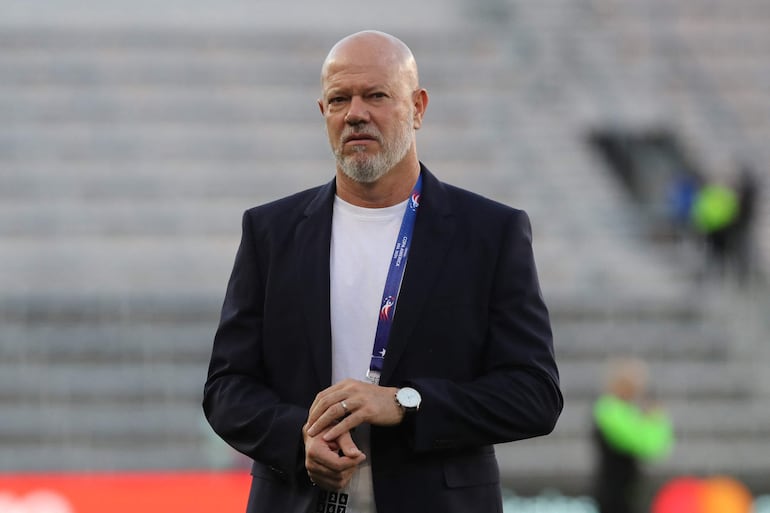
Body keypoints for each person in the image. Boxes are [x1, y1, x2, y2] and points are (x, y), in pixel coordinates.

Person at [203, 30, 562, 513]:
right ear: (323, 113)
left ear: (418, 107)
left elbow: (534, 394)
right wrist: (299, 438)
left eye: (376, 95)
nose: (356, 113)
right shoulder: (271, 231)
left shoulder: (490, 233)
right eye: (339, 99)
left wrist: (405, 404)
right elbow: (227, 387)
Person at [591, 358, 674, 513]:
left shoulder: (621, 411)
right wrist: (655, 418)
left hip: (625, 491)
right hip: (614, 494)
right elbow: (645, 443)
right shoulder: (609, 410)